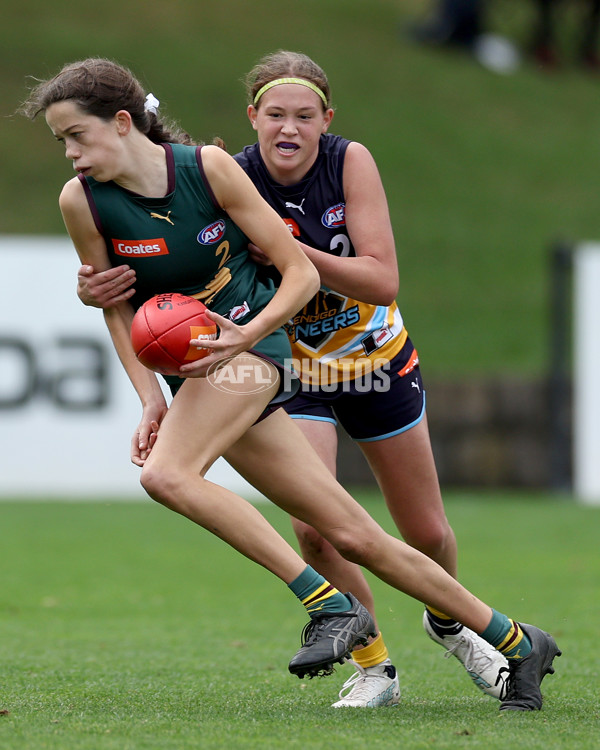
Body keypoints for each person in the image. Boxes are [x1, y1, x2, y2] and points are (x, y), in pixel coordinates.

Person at [24, 57, 561, 713]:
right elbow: (116, 307)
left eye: (76, 135)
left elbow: (299, 275)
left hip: (262, 352)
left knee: (165, 476)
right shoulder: (80, 201)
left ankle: (329, 605)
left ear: (123, 122)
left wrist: (252, 336)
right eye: (62, 142)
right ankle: (516, 640)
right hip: (201, 372)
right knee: (353, 535)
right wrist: (150, 399)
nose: (70, 152)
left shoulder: (206, 170)